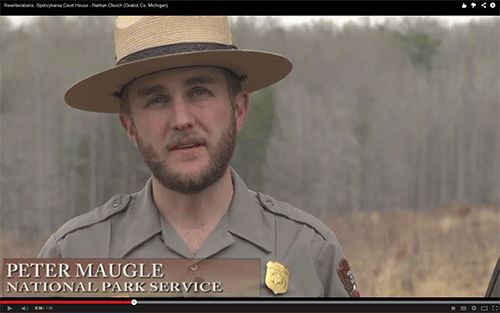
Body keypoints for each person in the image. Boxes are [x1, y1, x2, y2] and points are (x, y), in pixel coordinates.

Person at [38, 16, 359, 297]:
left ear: (239, 109)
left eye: (200, 92)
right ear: (130, 126)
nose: (181, 119)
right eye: (157, 99)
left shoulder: (309, 252)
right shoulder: (71, 258)